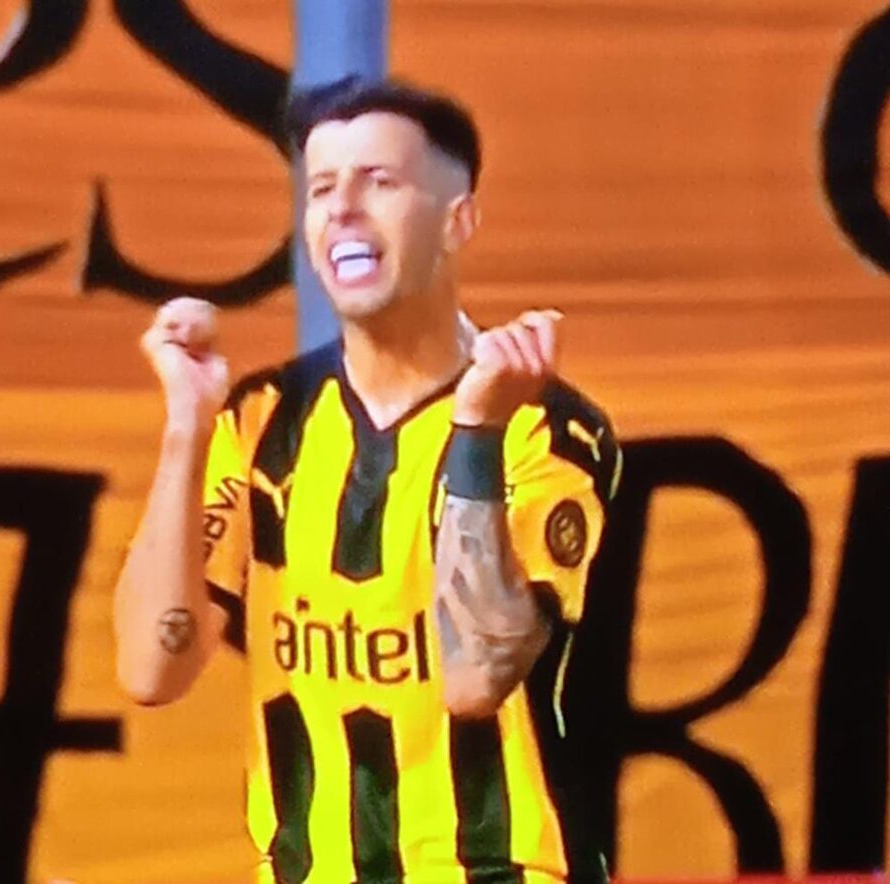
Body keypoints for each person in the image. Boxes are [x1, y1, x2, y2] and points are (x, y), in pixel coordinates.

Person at [114, 76, 621, 884]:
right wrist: (187, 426)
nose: (343, 209)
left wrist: (476, 432)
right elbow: (150, 669)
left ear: (458, 221)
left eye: (378, 182)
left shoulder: (543, 425)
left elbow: (475, 678)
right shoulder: (261, 422)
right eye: (321, 189)